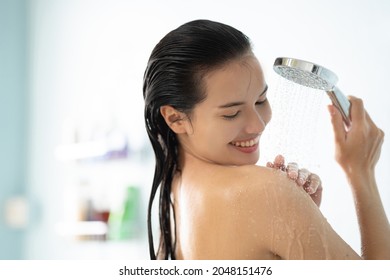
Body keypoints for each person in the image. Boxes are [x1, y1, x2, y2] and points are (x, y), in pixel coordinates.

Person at [142, 19, 390, 260]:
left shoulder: (175, 187)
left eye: (261, 100)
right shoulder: (266, 192)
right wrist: (361, 172)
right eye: (232, 113)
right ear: (175, 119)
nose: (259, 124)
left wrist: (300, 217)